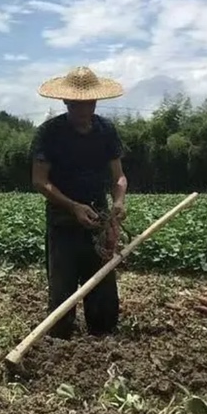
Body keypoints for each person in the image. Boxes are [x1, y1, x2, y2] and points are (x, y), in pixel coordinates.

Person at [30, 66, 128, 340]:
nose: (84, 110)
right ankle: (61, 347)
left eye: (89, 103)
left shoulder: (106, 131)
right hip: (63, 221)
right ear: (66, 101)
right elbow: (40, 180)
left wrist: (118, 202)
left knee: (104, 303)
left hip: (99, 220)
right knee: (61, 298)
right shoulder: (50, 133)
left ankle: (102, 345)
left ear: (96, 101)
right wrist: (72, 206)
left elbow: (119, 177)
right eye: (77, 104)